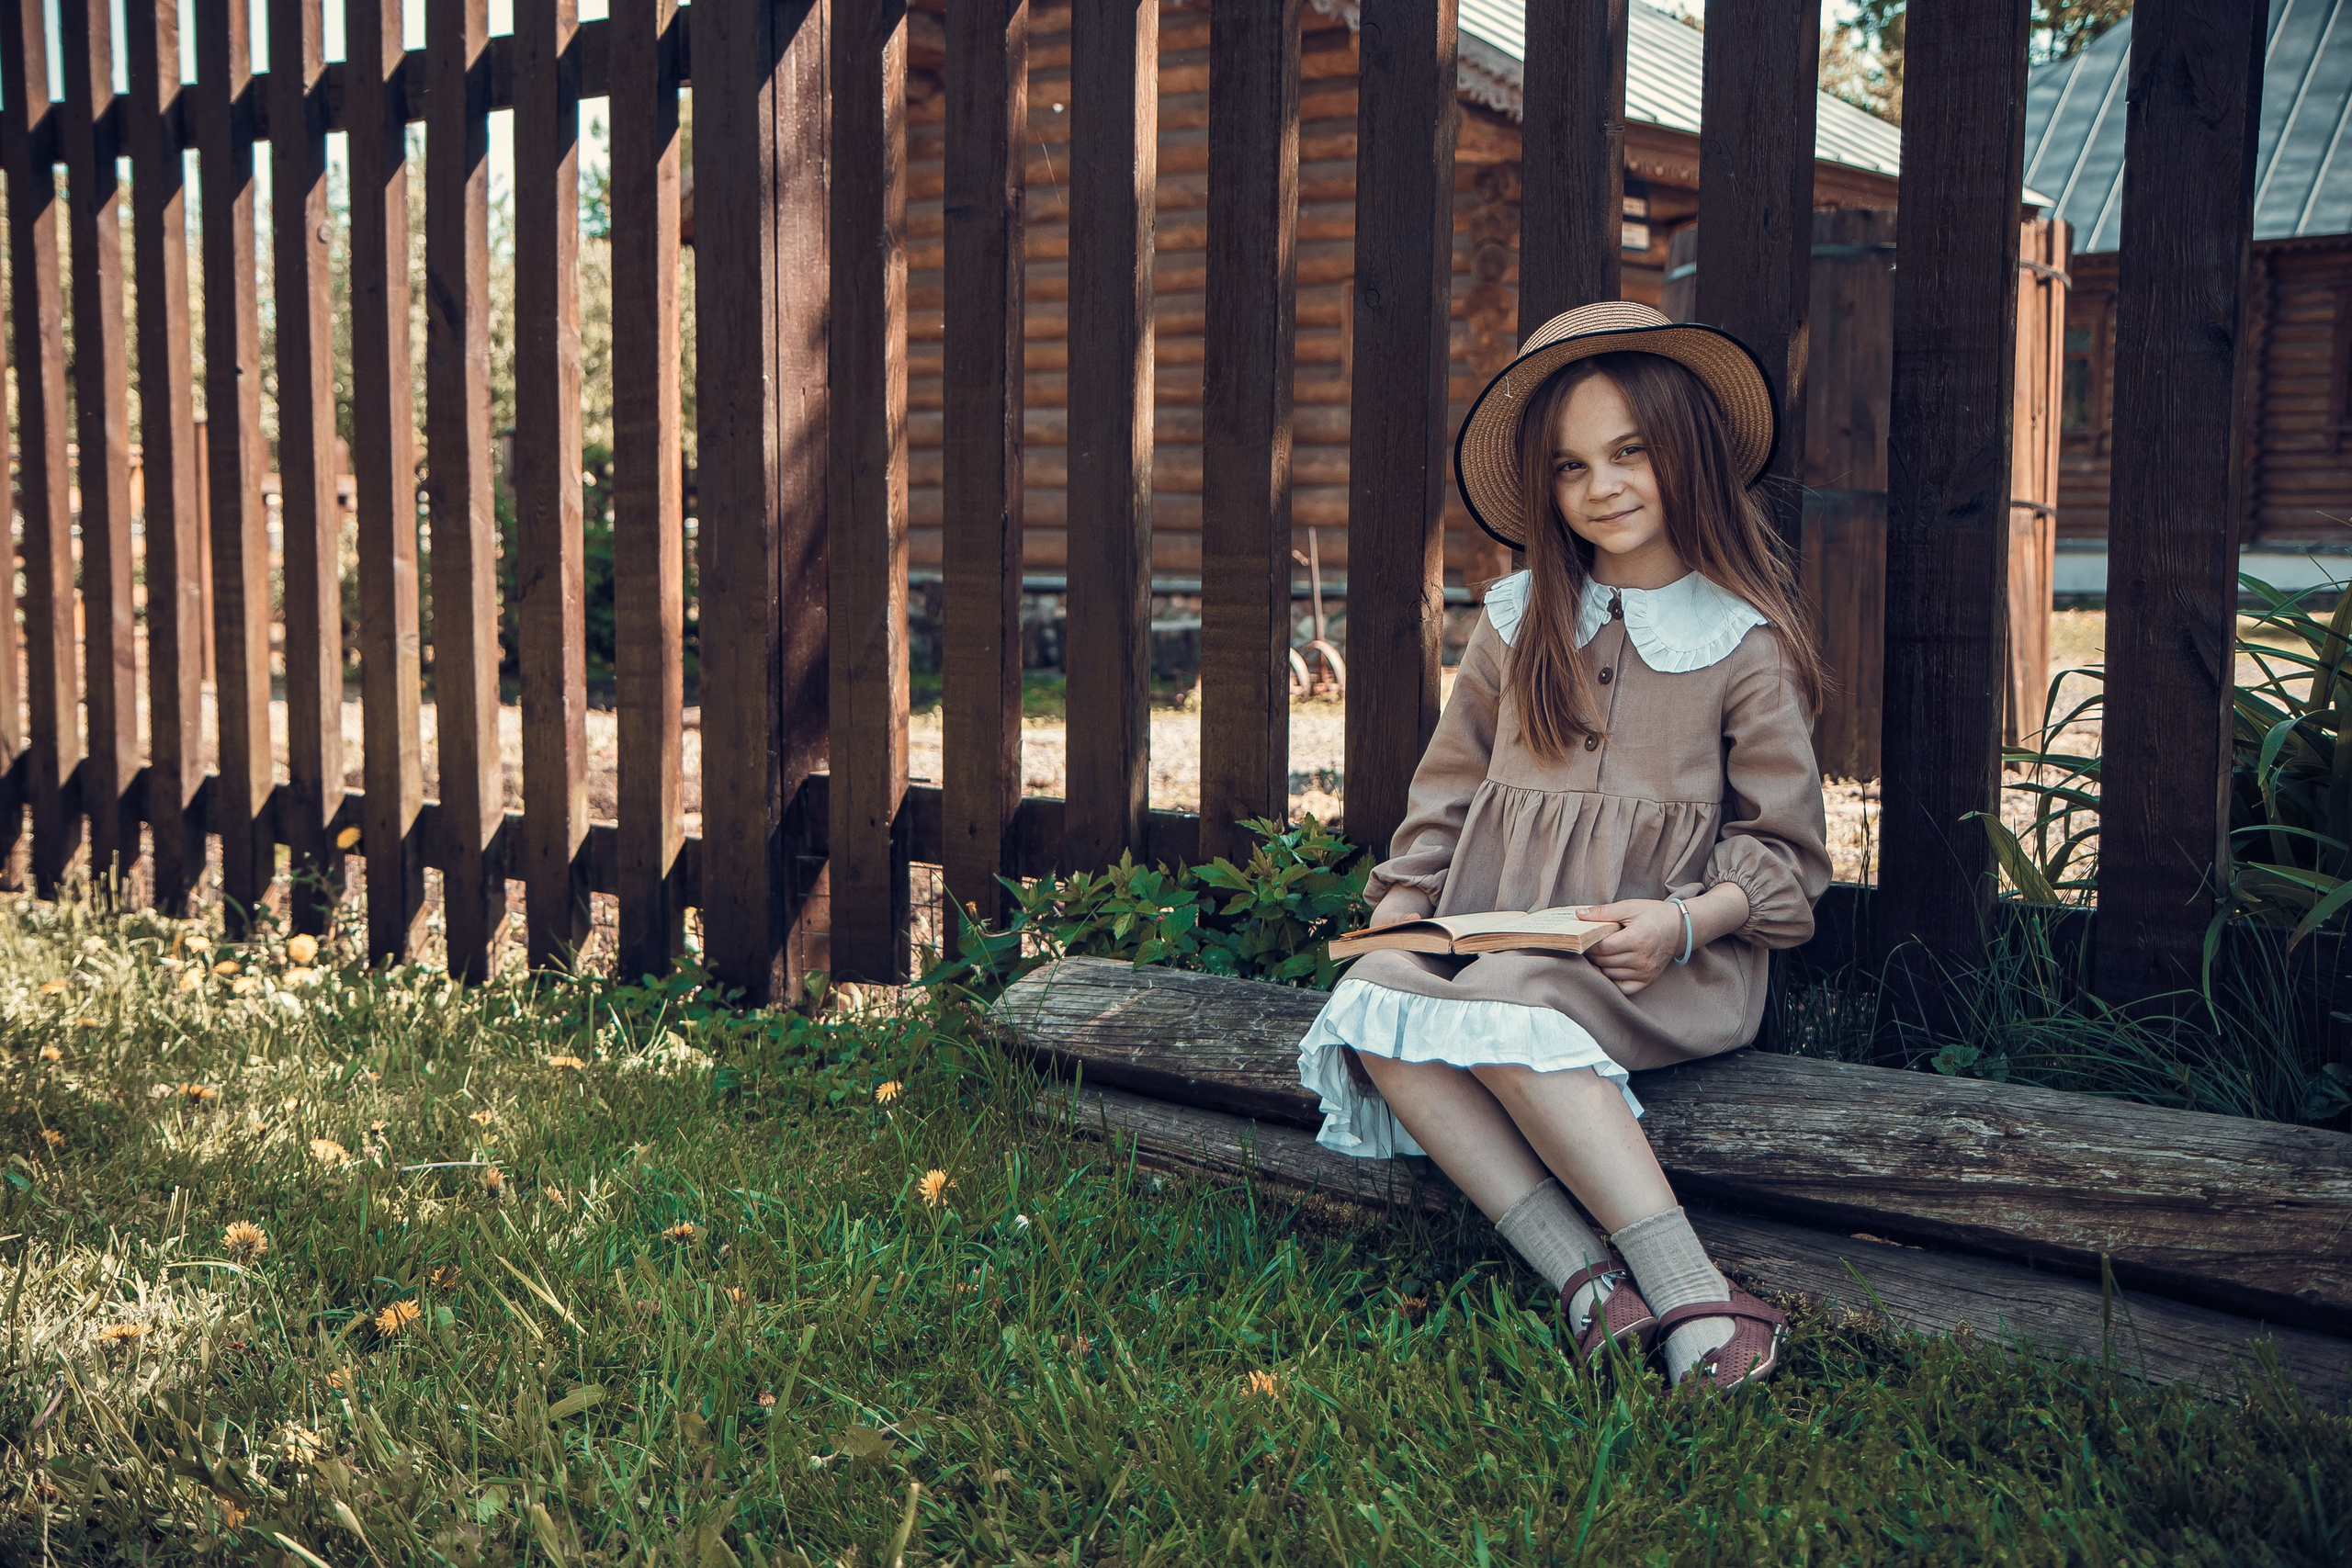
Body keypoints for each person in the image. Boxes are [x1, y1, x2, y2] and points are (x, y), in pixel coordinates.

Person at [1295, 300, 1831, 1393]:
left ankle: (1696, 1294)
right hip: (1497, 937)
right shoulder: (1519, 617)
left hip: (1658, 963)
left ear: (1684, 455)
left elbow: (1785, 854)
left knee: (1502, 1001)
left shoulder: (1743, 644)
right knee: (1374, 1003)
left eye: (1629, 453)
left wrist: (1686, 921)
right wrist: (1401, 902)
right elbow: (1447, 787)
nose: (1603, 488)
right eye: (1571, 468)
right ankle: (1587, 1281)